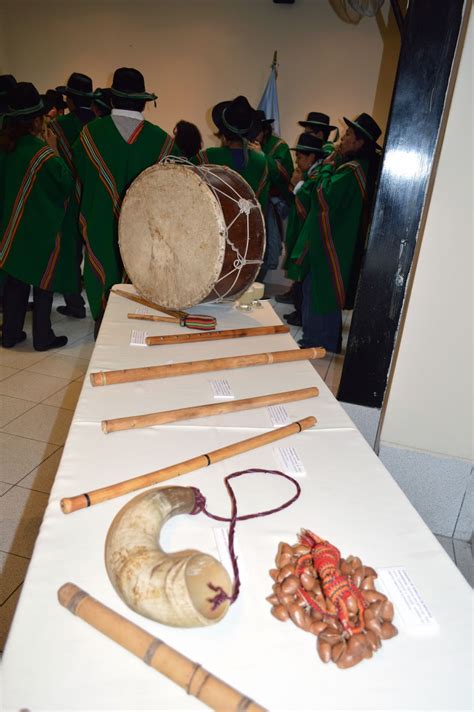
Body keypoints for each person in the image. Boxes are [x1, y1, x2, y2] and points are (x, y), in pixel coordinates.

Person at [72, 67, 180, 331]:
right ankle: (136, 330)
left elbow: (81, 178)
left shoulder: (89, 135)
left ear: (111, 99)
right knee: (140, 277)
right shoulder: (163, 141)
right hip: (146, 229)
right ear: (144, 101)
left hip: (100, 223)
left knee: (103, 273)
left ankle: (103, 329)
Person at [298, 113, 382, 352]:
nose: (342, 139)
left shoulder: (353, 169)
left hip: (334, 241)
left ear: (359, 143)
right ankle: (322, 340)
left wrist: (325, 167)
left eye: (348, 135)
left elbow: (324, 194)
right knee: (319, 290)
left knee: (321, 291)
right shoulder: (356, 167)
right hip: (337, 238)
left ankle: (318, 342)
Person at [0, 83, 72, 350]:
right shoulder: (43, 155)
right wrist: (54, 150)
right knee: (44, 282)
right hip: (39, 228)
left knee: (15, 282)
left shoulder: (5, 147)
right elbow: (65, 184)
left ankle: (10, 334)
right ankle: (43, 337)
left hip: (10, 228)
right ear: (37, 119)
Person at [275, 110, 338, 306]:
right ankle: (297, 296)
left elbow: (314, 197)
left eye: (310, 131)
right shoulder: (316, 160)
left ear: (320, 134)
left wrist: (297, 184)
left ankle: (299, 302)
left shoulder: (326, 158)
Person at [50, 73, 96, 319]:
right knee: (97, 250)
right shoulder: (101, 123)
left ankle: (75, 303)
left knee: (70, 252)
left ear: (70, 100)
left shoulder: (59, 126)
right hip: (97, 195)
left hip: (69, 197)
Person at [281, 133, 327, 327]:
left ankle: (301, 314)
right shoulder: (310, 174)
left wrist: (297, 184)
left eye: (300, 157)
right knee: (300, 278)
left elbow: (308, 202)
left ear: (311, 157)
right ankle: (298, 312)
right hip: (301, 233)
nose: (297, 162)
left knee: (303, 276)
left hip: (308, 238)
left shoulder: (316, 176)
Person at [193, 95, 269, 210]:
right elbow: (262, 206)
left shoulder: (207, 157)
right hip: (248, 226)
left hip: (214, 225)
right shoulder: (261, 162)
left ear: (223, 133)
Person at [251, 109, 293, 281]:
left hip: (269, 204)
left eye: (257, 130)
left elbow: (285, 175)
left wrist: (262, 156)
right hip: (250, 202)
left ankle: (259, 282)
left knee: (266, 246)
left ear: (265, 129)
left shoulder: (279, 146)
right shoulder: (246, 142)